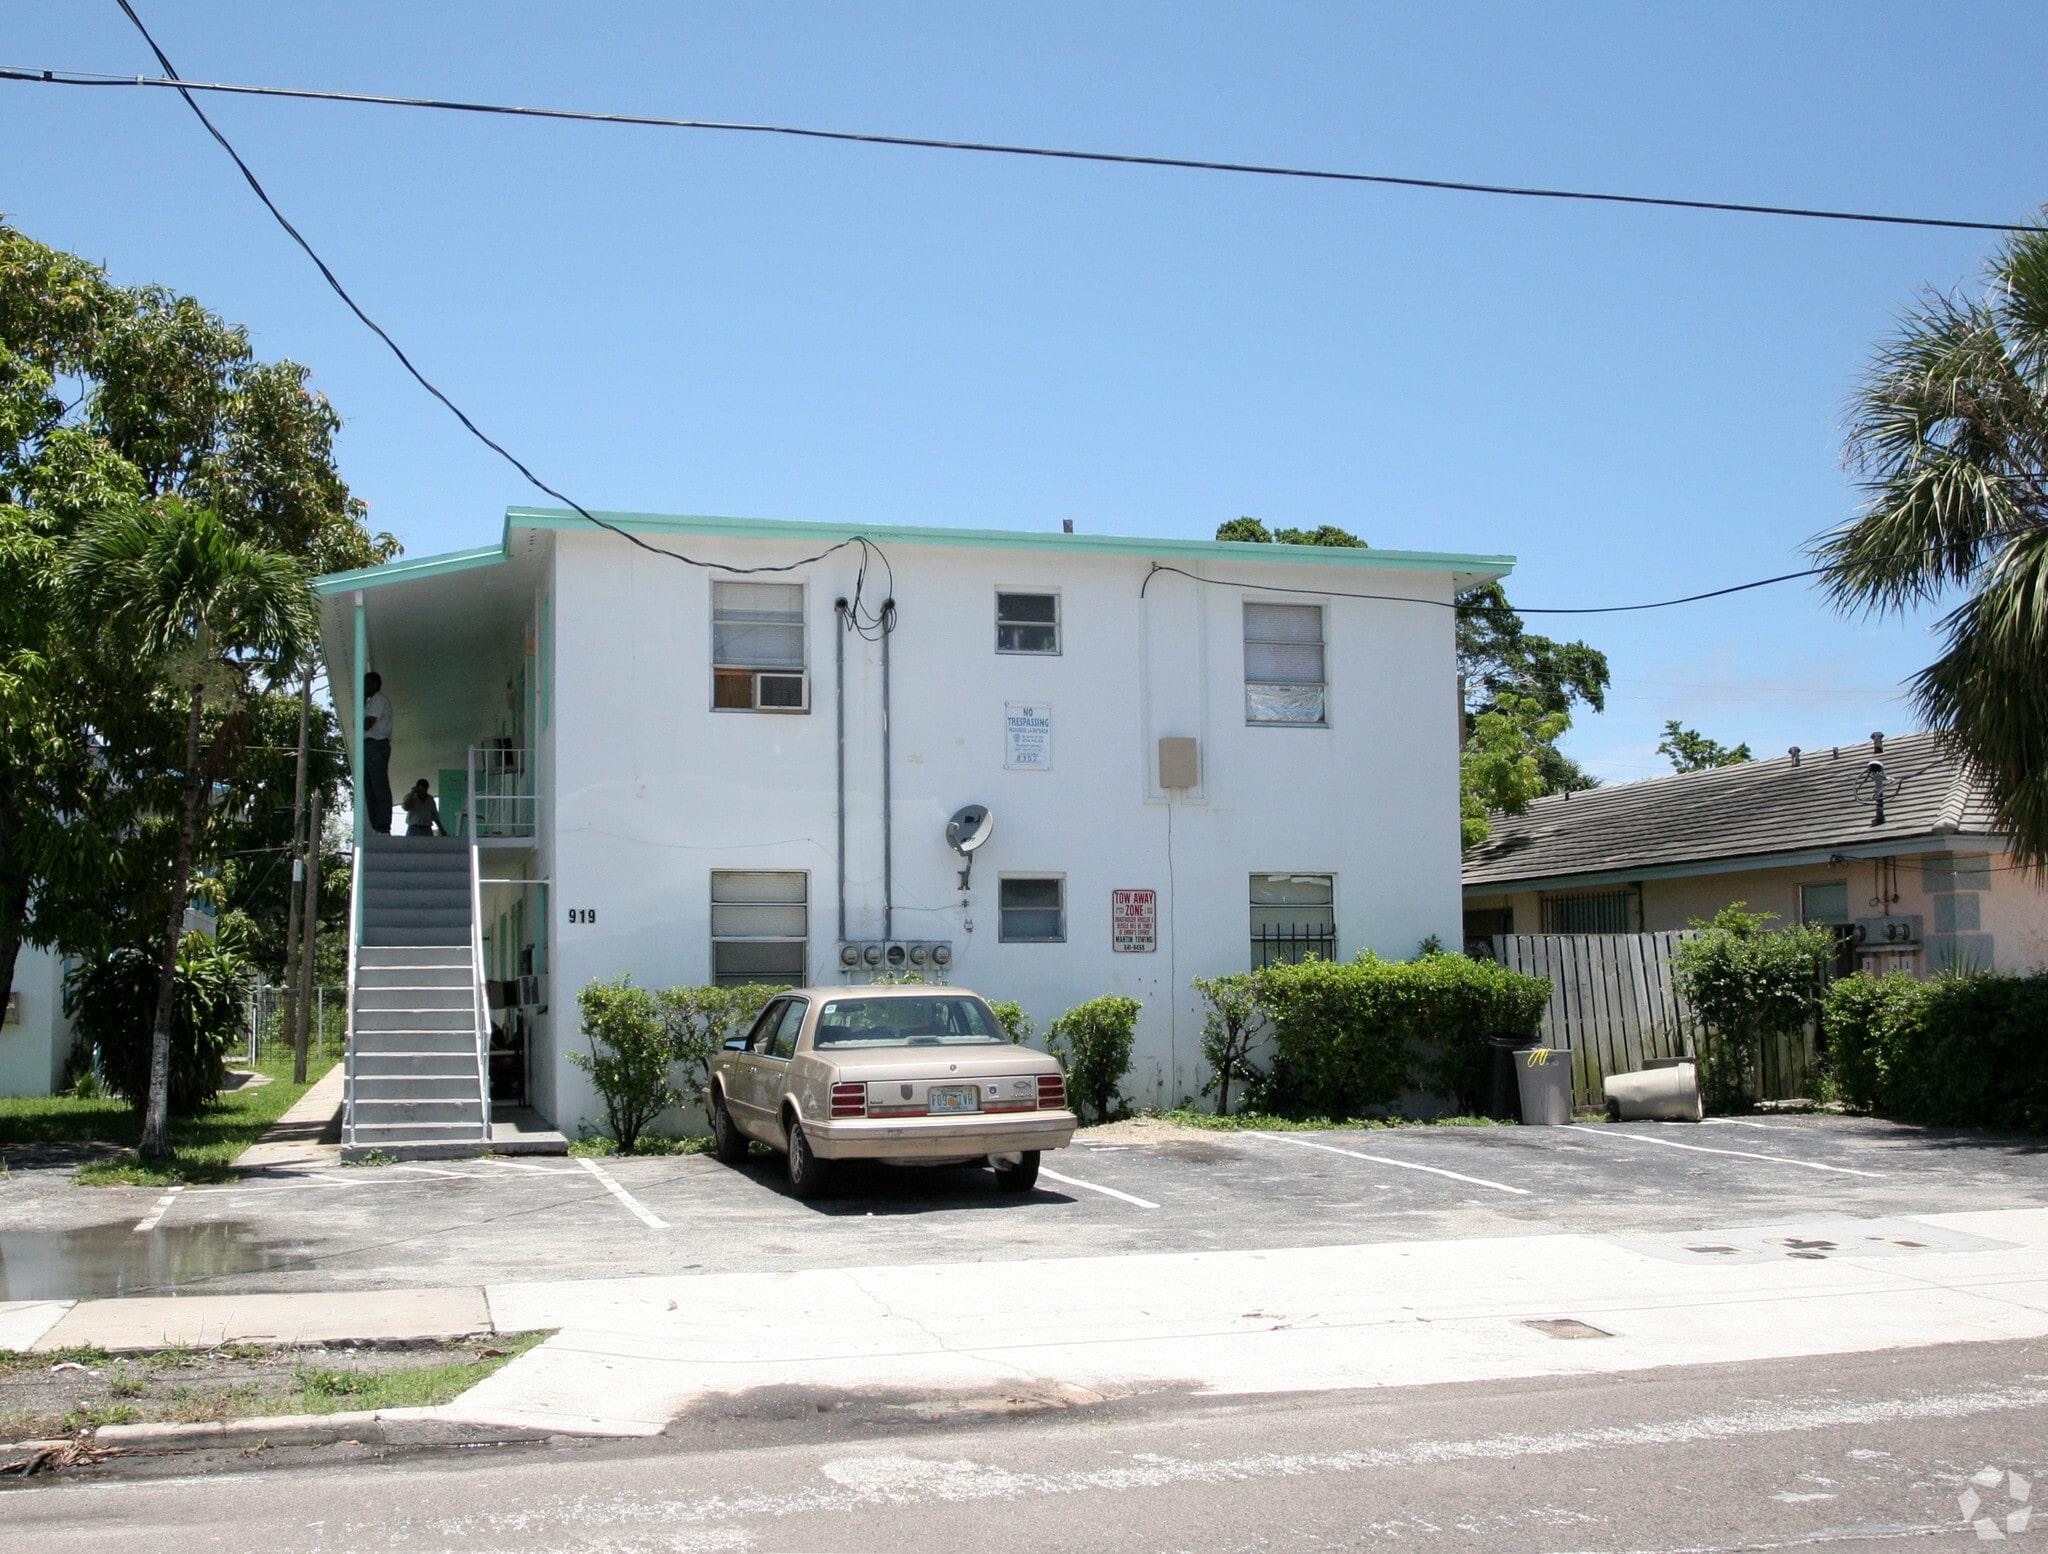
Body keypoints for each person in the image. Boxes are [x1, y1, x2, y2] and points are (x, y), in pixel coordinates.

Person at [362, 672, 393, 834]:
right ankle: (376, 826)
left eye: (366, 683)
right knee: (370, 789)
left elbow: (367, 724)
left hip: (377, 745)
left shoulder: (379, 699)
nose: (364, 687)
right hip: (369, 745)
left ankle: (383, 827)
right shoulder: (369, 702)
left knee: (379, 787)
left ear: (375, 684)